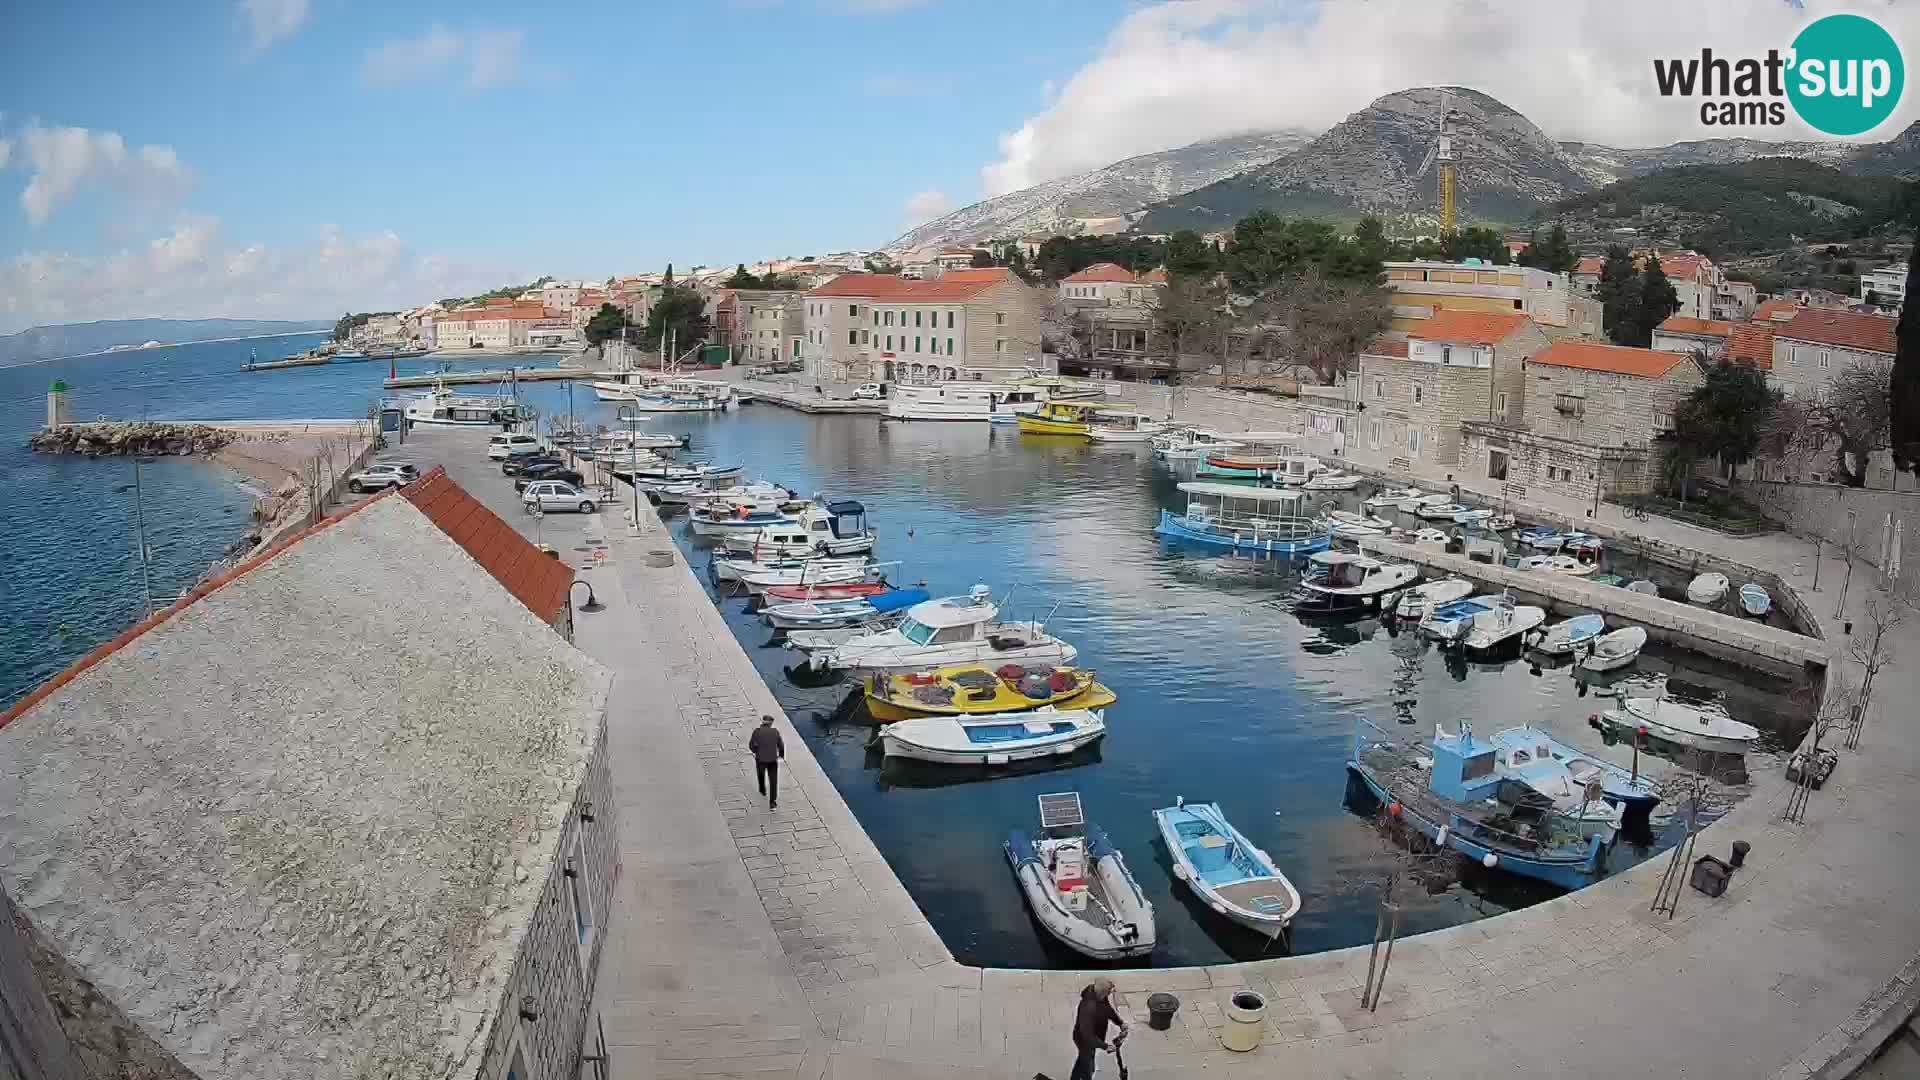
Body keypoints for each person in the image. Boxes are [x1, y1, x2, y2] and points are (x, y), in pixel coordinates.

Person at [1068, 977, 1127, 1080]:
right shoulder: (1088, 1007)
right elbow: (1087, 1035)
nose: (1109, 995)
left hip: (1092, 1038)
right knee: (1088, 1068)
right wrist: (1105, 1046)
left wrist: (1120, 1023)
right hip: (1084, 1041)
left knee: (1082, 1060)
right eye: (1108, 993)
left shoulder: (1100, 997)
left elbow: (1108, 1010)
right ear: (1102, 992)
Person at [747, 714, 785, 810]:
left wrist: (756, 751)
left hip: (760, 759)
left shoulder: (757, 732)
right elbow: (781, 745)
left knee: (760, 774)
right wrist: (781, 755)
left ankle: (762, 790)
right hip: (772, 759)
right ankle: (772, 802)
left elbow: (751, 745)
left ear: (762, 722)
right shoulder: (775, 732)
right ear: (771, 723)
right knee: (773, 780)